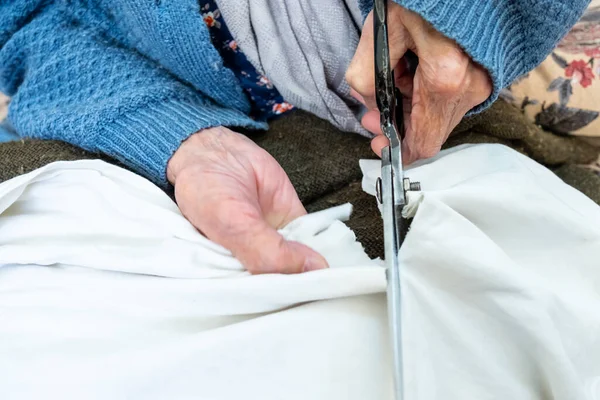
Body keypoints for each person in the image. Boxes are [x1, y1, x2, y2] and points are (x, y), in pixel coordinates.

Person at [0, 0, 589, 274]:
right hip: (154, 103)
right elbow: (22, 20)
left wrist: (465, 10)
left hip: (446, 101)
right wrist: (178, 136)